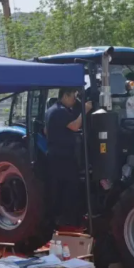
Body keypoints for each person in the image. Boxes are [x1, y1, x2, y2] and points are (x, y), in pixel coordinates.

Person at [45, 87, 92, 227]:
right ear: (65, 96)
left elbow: (46, 130)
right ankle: (68, 220)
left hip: (55, 154)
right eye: (73, 97)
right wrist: (85, 110)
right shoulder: (60, 111)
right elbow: (75, 126)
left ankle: (60, 219)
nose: (74, 101)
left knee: (59, 189)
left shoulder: (51, 110)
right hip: (63, 156)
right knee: (70, 188)